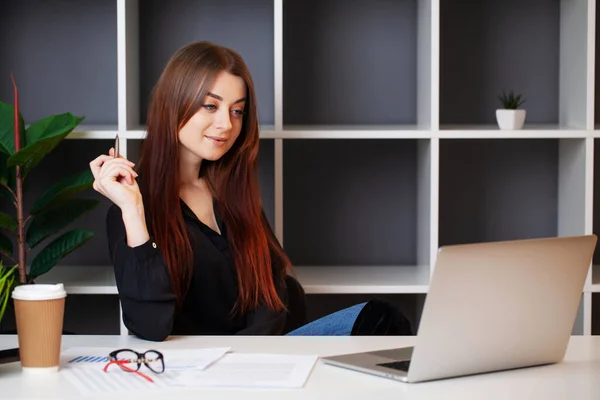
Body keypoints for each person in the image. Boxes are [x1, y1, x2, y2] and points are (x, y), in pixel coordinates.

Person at [89, 41, 413, 341]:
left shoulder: (231, 191)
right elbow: (149, 326)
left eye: (237, 110)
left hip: (260, 357)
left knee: (382, 320)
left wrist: (251, 362)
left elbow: (272, 297)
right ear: (174, 105)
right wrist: (133, 211)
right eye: (210, 106)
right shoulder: (131, 209)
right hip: (192, 370)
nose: (226, 125)